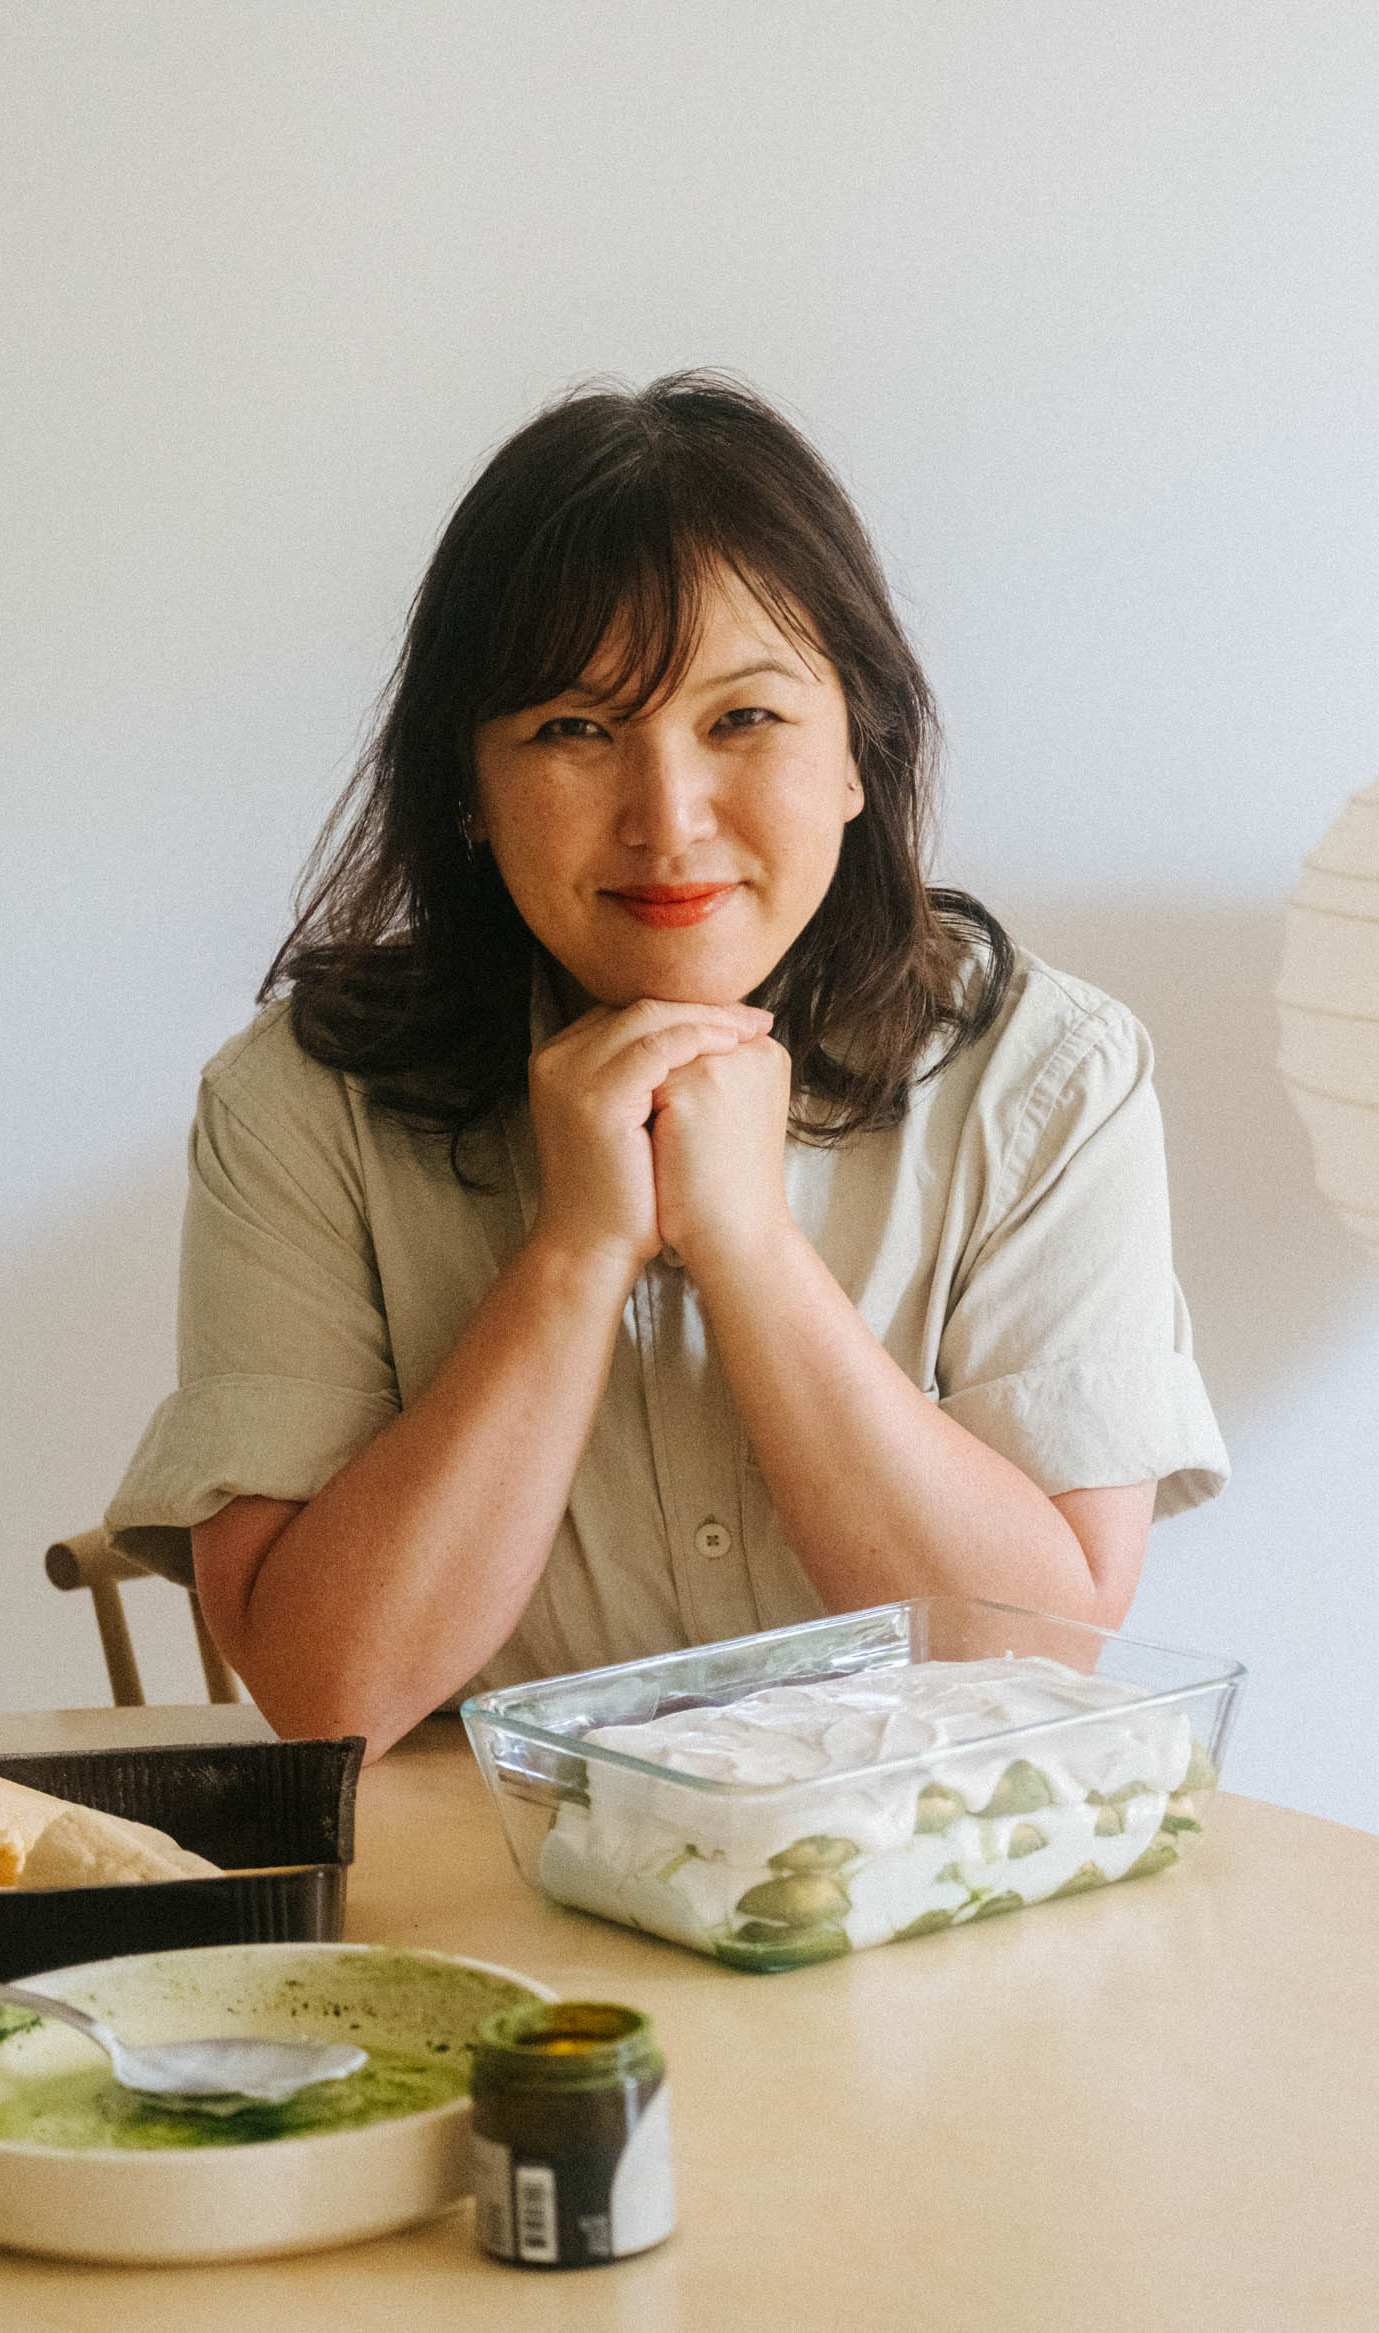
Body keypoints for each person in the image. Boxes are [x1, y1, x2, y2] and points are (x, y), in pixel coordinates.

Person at [102, 374, 1226, 1757]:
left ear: (862, 750)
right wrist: (575, 1254)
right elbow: (326, 1688)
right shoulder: (297, 1103)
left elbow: (1037, 1657)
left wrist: (748, 1247)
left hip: (919, 1906)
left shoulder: (1050, 1076)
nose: (667, 818)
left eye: (742, 721)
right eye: (574, 730)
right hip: (474, 1917)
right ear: (465, 784)